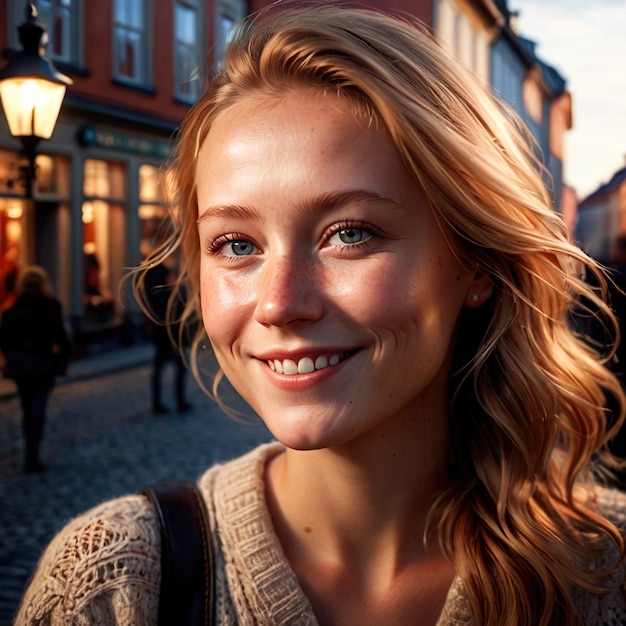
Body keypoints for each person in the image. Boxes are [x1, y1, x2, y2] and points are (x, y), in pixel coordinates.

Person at [14, 4, 626, 624]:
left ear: (476, 262)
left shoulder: (606, 569)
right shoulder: (116, 586)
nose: (280, 303)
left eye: (350, 234)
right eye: (237, 245)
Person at [0, 265, 71, 473]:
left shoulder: (11, 309)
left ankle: (30, 453)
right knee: (38, 409)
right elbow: (62, 338)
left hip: (21, 365)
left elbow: (4, 341)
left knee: (27, 408)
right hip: (42, 363)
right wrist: (62, 363)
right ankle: (33, 455)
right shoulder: (50, 306)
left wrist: (10, 357)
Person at [144, 260, 192, 413]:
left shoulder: (154, 295)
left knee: (161, 369)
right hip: (170, 337)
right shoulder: (167, 296)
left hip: (162, 337)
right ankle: (177, 402)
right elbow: (176, 317)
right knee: (178, 368)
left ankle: (160, 403)